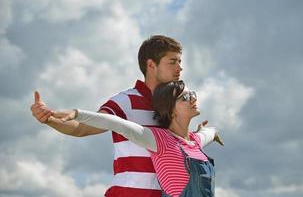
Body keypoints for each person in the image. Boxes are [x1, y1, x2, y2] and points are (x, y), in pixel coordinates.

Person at [31, 35, 185, 196]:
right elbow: (82, 128)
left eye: (180, 62)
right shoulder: (126, 100)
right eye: (173, 62)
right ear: (151, 65)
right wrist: (49, 119)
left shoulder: (178, 104)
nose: (179, 68)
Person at [51, 80, 224, 197]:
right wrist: (77, 113)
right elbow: (116, 124)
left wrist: (210, 133)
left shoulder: (195, 141)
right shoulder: (159, 140)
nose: (193, 98)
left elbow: (211, 132)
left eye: (192, 93)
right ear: (171, 110)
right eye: (185, 97)